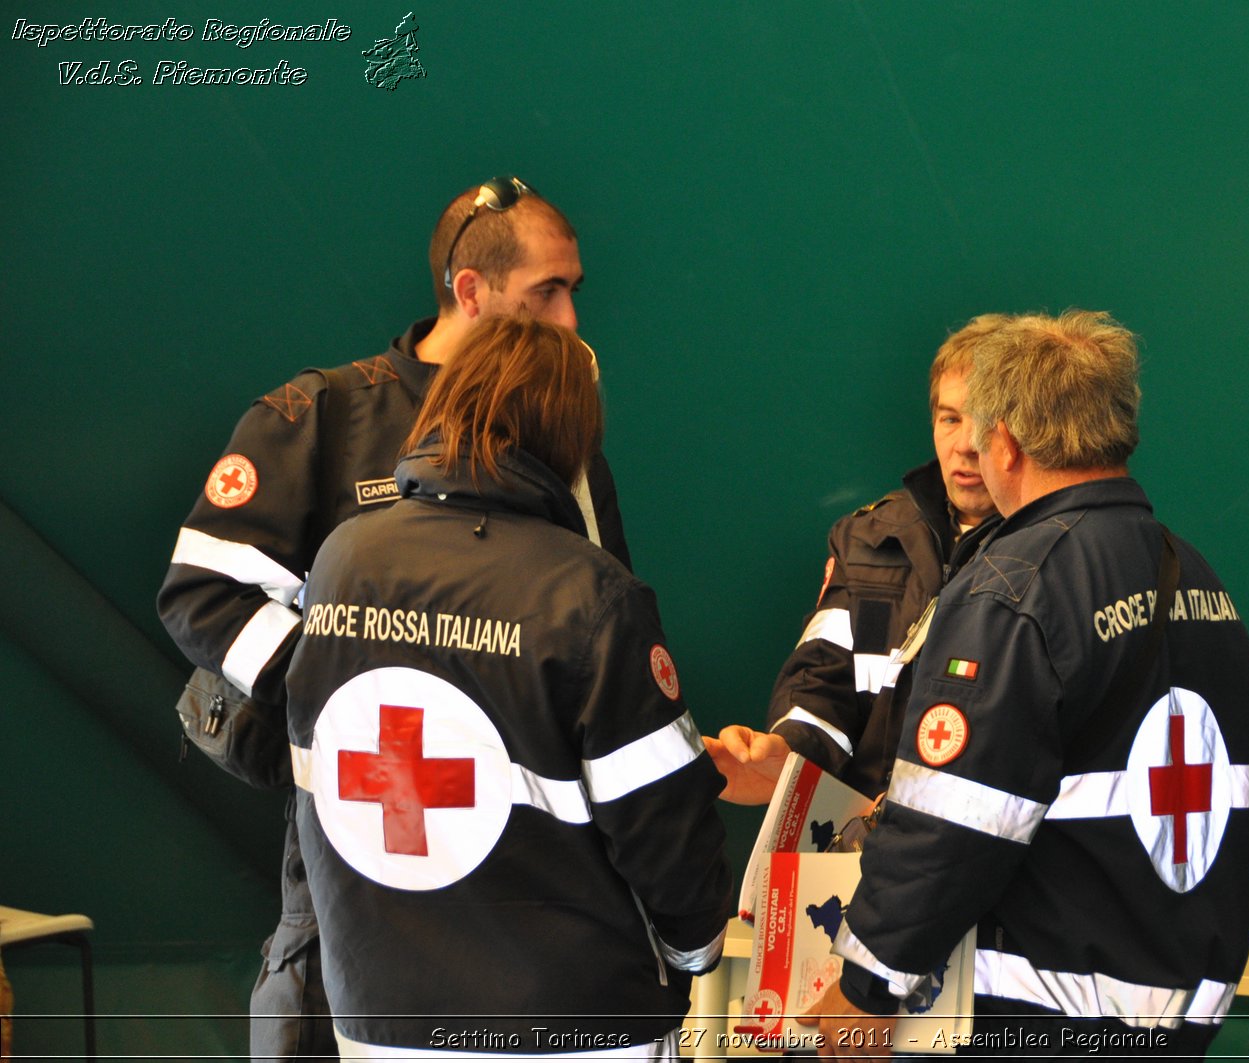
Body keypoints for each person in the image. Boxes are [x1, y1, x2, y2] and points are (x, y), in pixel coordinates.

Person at [156, 177, 627, 1061]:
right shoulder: (322, 415)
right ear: (471, 290)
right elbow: (202, 587)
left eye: (574, 291)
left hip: (527, 883)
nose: (568, 324)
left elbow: (607, 637)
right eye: (545, 294)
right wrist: (334, 692)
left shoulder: (566, 441)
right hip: (357, 859)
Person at [798, 310, 1249, 1059]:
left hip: (1043, 1016)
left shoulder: (1013, 589)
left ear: (1006, 444)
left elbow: (952, 822)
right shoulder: (1197, 577)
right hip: (1177, 1016)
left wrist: (866, 987)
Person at [284, 316, 731, 1059]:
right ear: (570, 434)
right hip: (572, 1022)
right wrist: (696, 951)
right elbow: (665, 827)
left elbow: (311, 765)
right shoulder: (590, 594)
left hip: (377, 1016)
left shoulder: (342, 559)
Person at [707, 318, 1003, 804]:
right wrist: (787, 754)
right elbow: (825, 682)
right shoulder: (868, 538)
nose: (965, 444)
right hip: (868, 846)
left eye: (988, 421)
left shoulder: (1056, 548)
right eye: (950, 418)